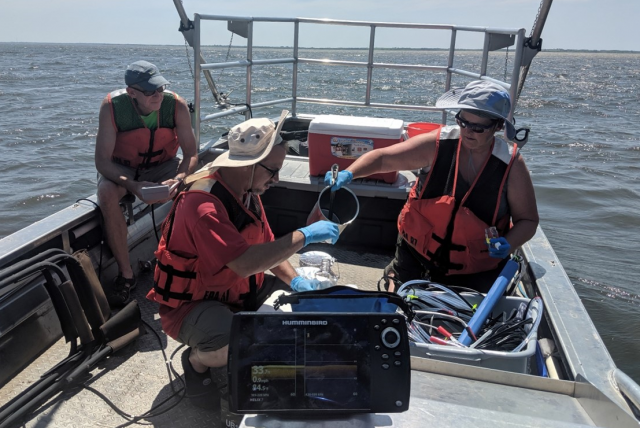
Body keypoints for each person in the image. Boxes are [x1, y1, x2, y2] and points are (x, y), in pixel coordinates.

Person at [146, 110, 340, 410]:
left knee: (307, 314)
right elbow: (246, 263)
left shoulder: (246, 190)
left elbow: (268, 246)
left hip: (236, 292)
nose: (276, 179)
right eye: (273, 171)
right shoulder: (202, 206)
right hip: (191, 307)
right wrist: (305, 235)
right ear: (249, 165)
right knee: (235, 343)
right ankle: (197, 361)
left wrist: (297, 282)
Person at [326, 80, 539, 293]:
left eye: (478, 127)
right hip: (416, 253)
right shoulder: (437, 145)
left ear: (498, 126)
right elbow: (382, 159)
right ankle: (395, 277)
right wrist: (349, 173)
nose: (467, 131)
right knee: (399, 304)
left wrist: (508, 244)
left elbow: (528, 220)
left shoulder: (511, 166)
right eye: (462, 122)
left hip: (473, 270)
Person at [95, 60, 198, 307]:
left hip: (163, 165)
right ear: (131, 93)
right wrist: (132, 186)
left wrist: (179, 179)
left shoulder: (177, 106)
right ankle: (126, 274)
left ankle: (190, 260)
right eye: (150, 91)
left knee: (197, 187)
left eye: (160, 89)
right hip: (125, 168)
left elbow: (192, 154)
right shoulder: (111, 107)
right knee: (107, 193)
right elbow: (102, 161)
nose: (158, 95)